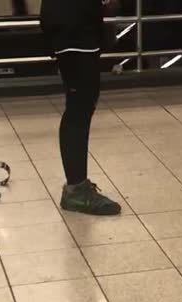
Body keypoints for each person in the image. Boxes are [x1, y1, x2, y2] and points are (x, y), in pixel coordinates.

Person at [40, 0, 122, 216]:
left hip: (78, 27)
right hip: (73, 30)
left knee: (83, 105)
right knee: (79, 107)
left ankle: (77, 185)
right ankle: (75, 188)